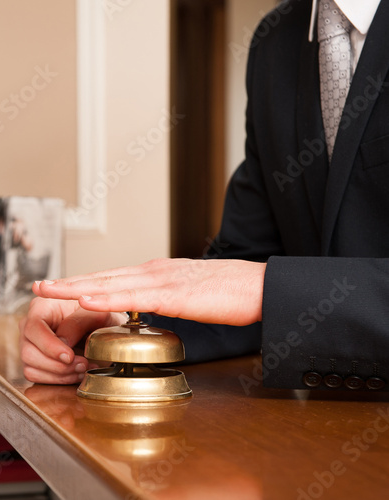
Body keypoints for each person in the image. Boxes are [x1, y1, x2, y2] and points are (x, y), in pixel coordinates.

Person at [19, 0, 389, 392]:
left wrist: (262, 287)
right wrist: (118, 319)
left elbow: (258, 286)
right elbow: (248, 261)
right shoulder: (275, 39)